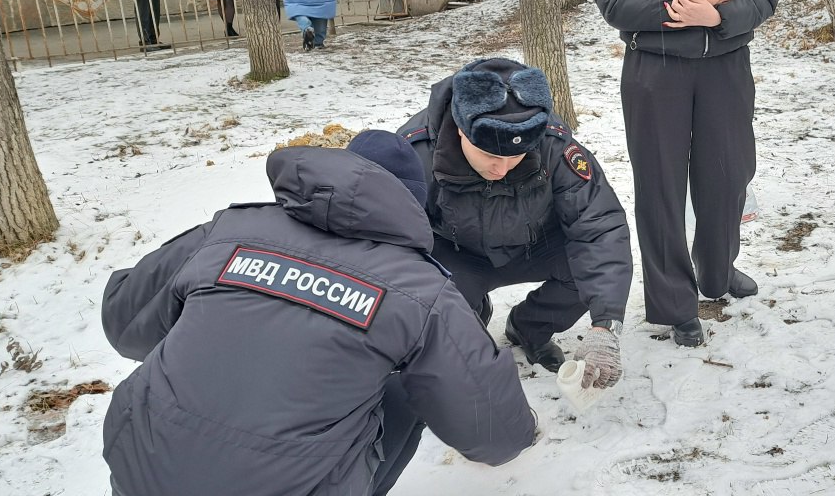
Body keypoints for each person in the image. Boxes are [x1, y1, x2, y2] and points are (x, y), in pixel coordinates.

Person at [100, 132, 536, 496]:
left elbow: (125, 323)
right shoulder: (420, 289)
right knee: (408, 391)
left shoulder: (228, 231)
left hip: (139, 468)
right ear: (410, 204)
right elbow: (495, 436)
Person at [594, 0, 780, 346]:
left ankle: (717, 270)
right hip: (655, 67)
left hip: (727, 64)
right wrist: (685, 2)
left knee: (729, 174)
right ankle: (673, 303)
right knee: (661, 186)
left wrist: (717, 14)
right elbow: (613, 0)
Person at [393, 58, 629, 387]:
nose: (501, 169)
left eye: (514, 157)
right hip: (458, 255)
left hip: (537, 245)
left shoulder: (554, 144)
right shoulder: (414, 150)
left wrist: (605, 326)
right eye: (490, 155)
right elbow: (391, 243)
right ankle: (469, 315)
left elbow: (600, 228)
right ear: (462, 128)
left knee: (584, 270)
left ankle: (529, 327)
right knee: (439, 317)